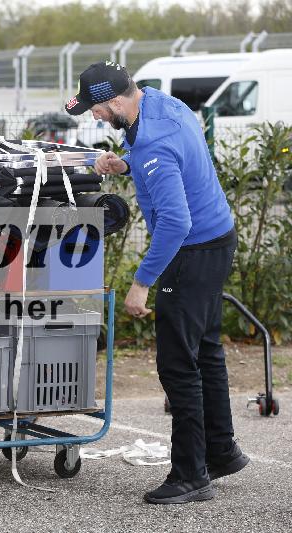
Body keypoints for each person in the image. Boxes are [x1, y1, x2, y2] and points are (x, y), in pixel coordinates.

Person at [65, 61, 249, 504]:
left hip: (191, 250)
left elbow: (175, 223)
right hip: (218, 238)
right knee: (205, 349)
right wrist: (127, 165)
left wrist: (142, 282)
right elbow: (170, 158)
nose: (94, 117)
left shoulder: (153, 144)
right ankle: (220, 452)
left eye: (97, 110)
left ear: (115, 100)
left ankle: (191, 475)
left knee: (177, 365)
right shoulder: (161, 104)